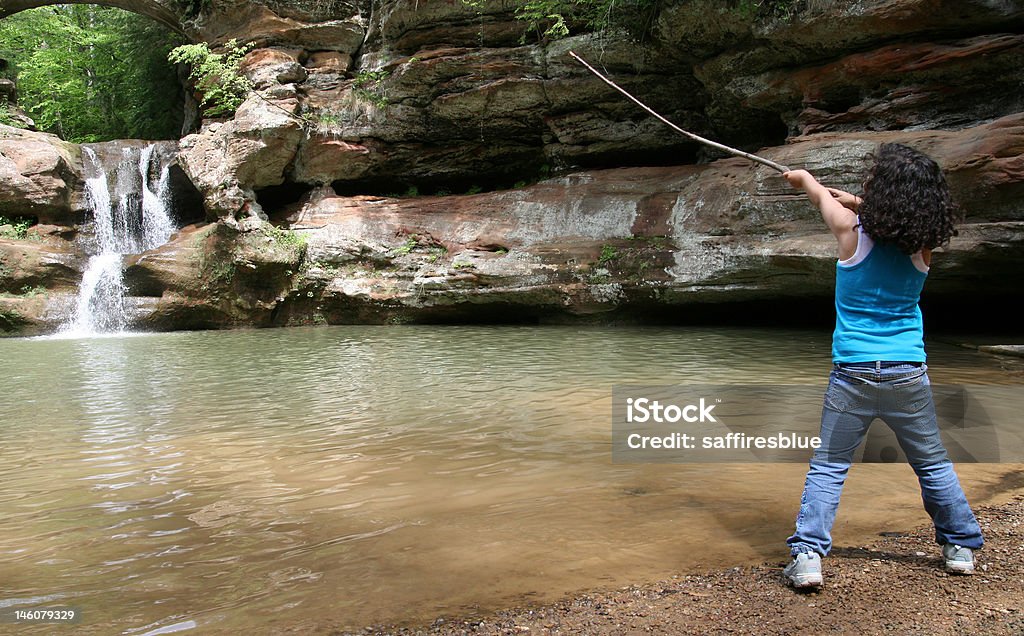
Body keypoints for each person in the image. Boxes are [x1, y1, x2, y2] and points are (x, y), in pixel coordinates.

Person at [780, 142, 984, 589]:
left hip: (851, 371)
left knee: (830, 466)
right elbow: (889, 218)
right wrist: (851, 200)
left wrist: (806, 181)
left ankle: (809, 557)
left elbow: (818, 199)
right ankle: (960, 547)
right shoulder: (923, 245)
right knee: (931, 463)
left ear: (881, 192)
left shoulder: (851, 230)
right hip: (907, 370)